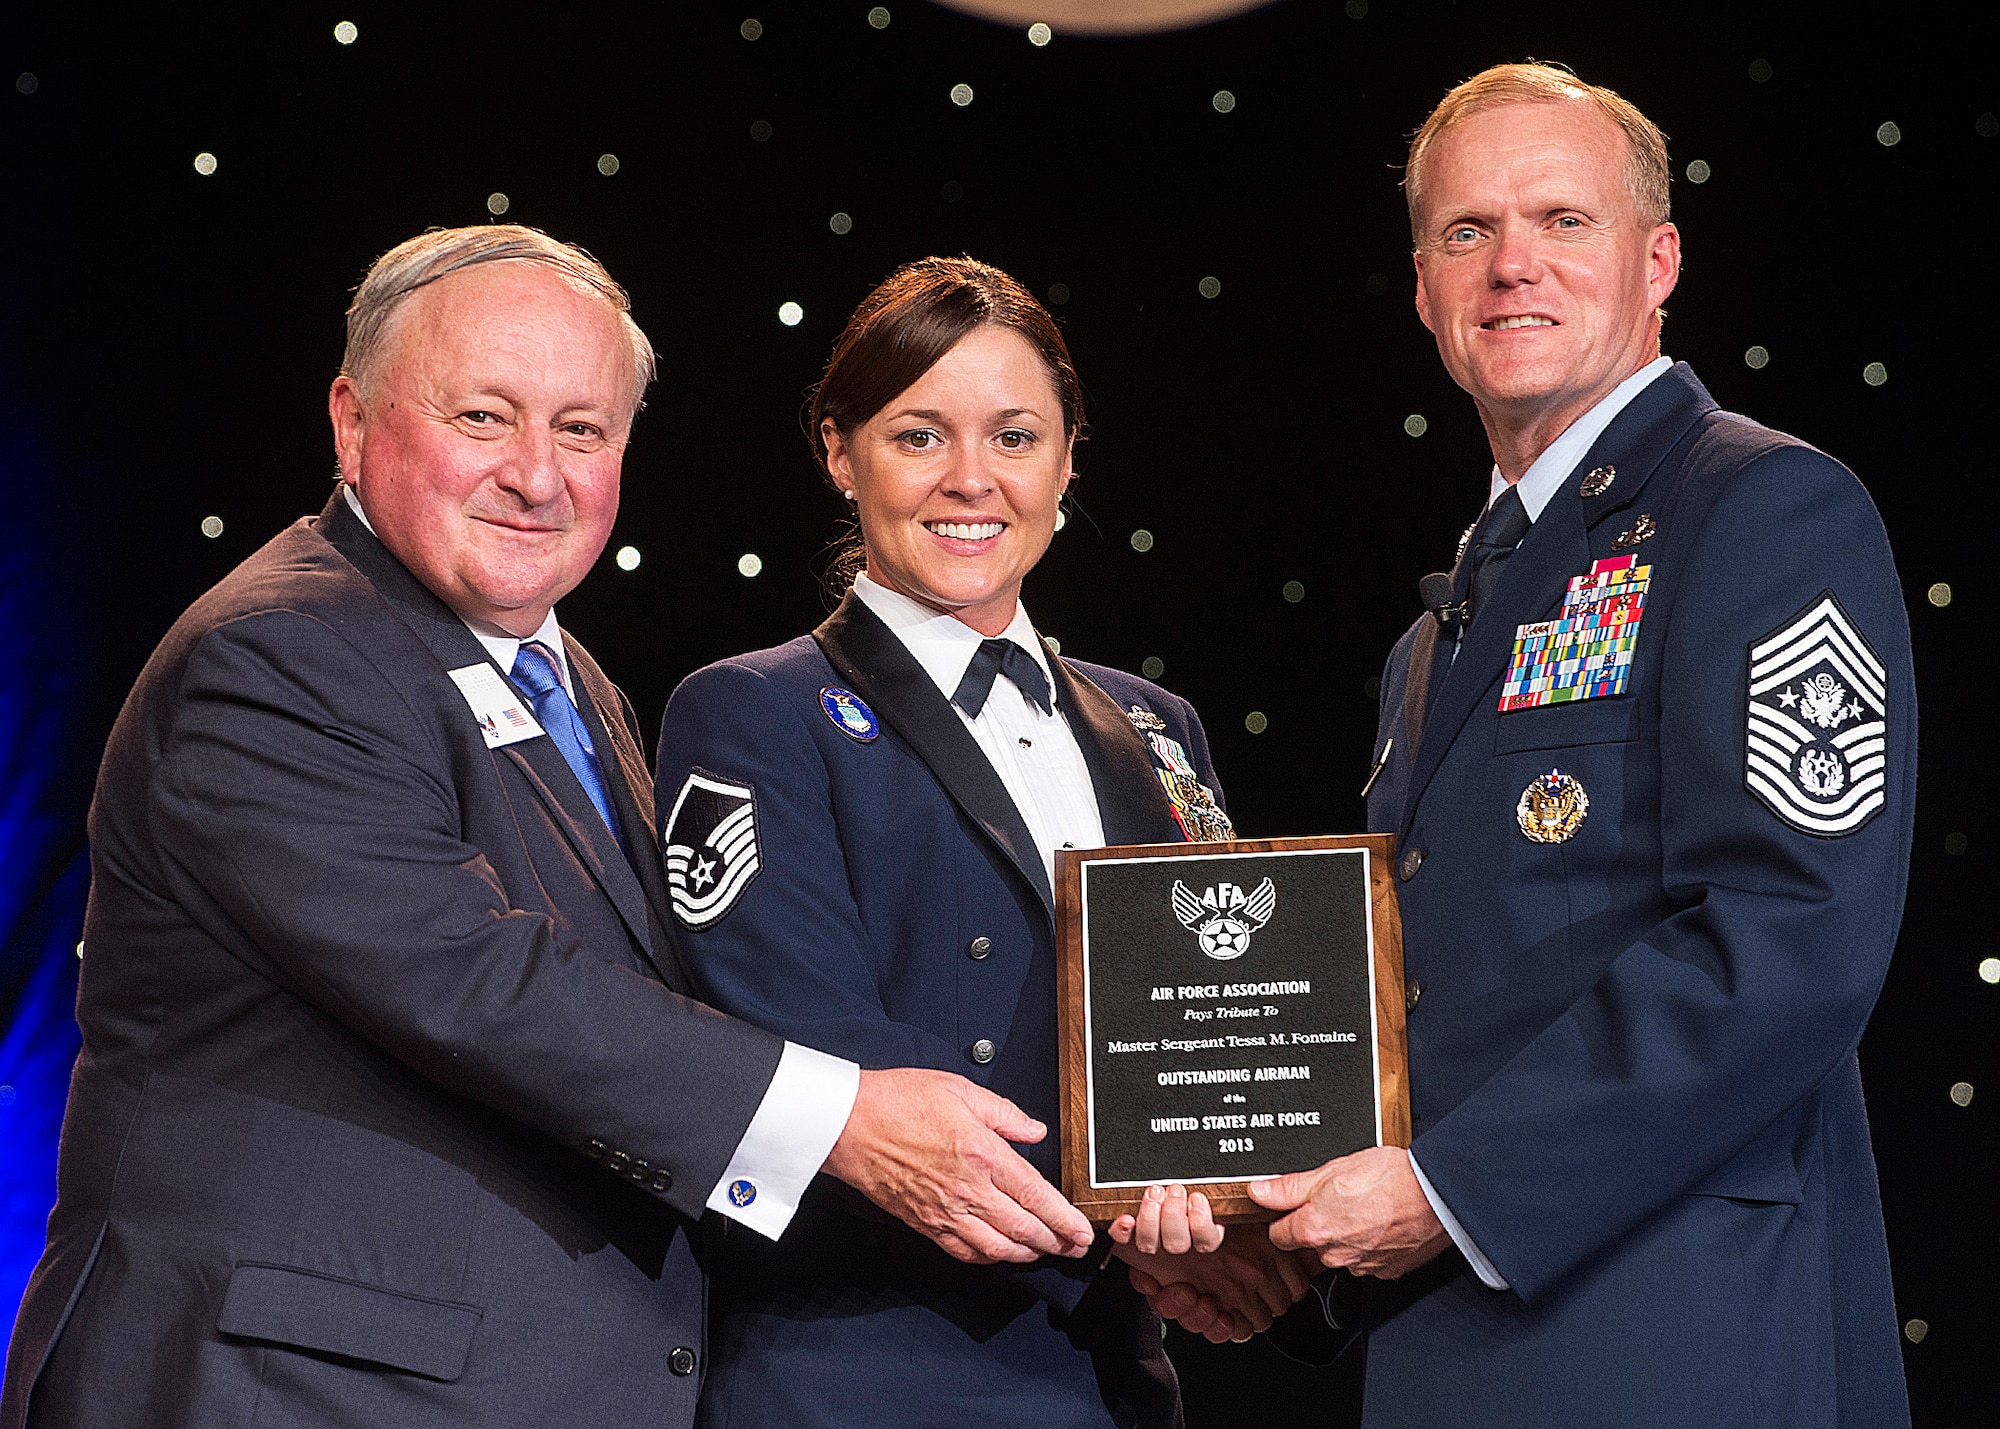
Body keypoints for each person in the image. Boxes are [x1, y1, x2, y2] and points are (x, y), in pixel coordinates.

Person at [0, 226, 1100, 1429]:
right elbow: (477, 978)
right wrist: (844, 1117)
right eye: (484, 417)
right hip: (298, 1386)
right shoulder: (277, 655)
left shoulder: (572, 683)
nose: (538, 473)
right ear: (352, 421)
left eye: (581, 429)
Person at [1150, 63, 1917, 1425]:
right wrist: (1291, 1246)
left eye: (1564, 220)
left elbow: (1790, 935)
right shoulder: (1437, 635)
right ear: (1424, 288)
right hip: (1457, 1348)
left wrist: (1448, 1194)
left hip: (1679, 1336)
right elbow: (1432, 1008)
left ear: (1657, 260)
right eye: (1467, 233)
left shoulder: (1763, 511)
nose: (1512, 266)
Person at [653, 257, 1308, 1429]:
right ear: (837, 450)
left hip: (1108, 1372)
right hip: (867, 1368)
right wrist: (1129, 1184)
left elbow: (1230, 1028)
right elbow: (809, 1034)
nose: (971, 480)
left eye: (1013, 437)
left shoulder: (1157, 725)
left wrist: (1247, 1199)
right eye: (918, 435)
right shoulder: (750, 712)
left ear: (1067, 461)